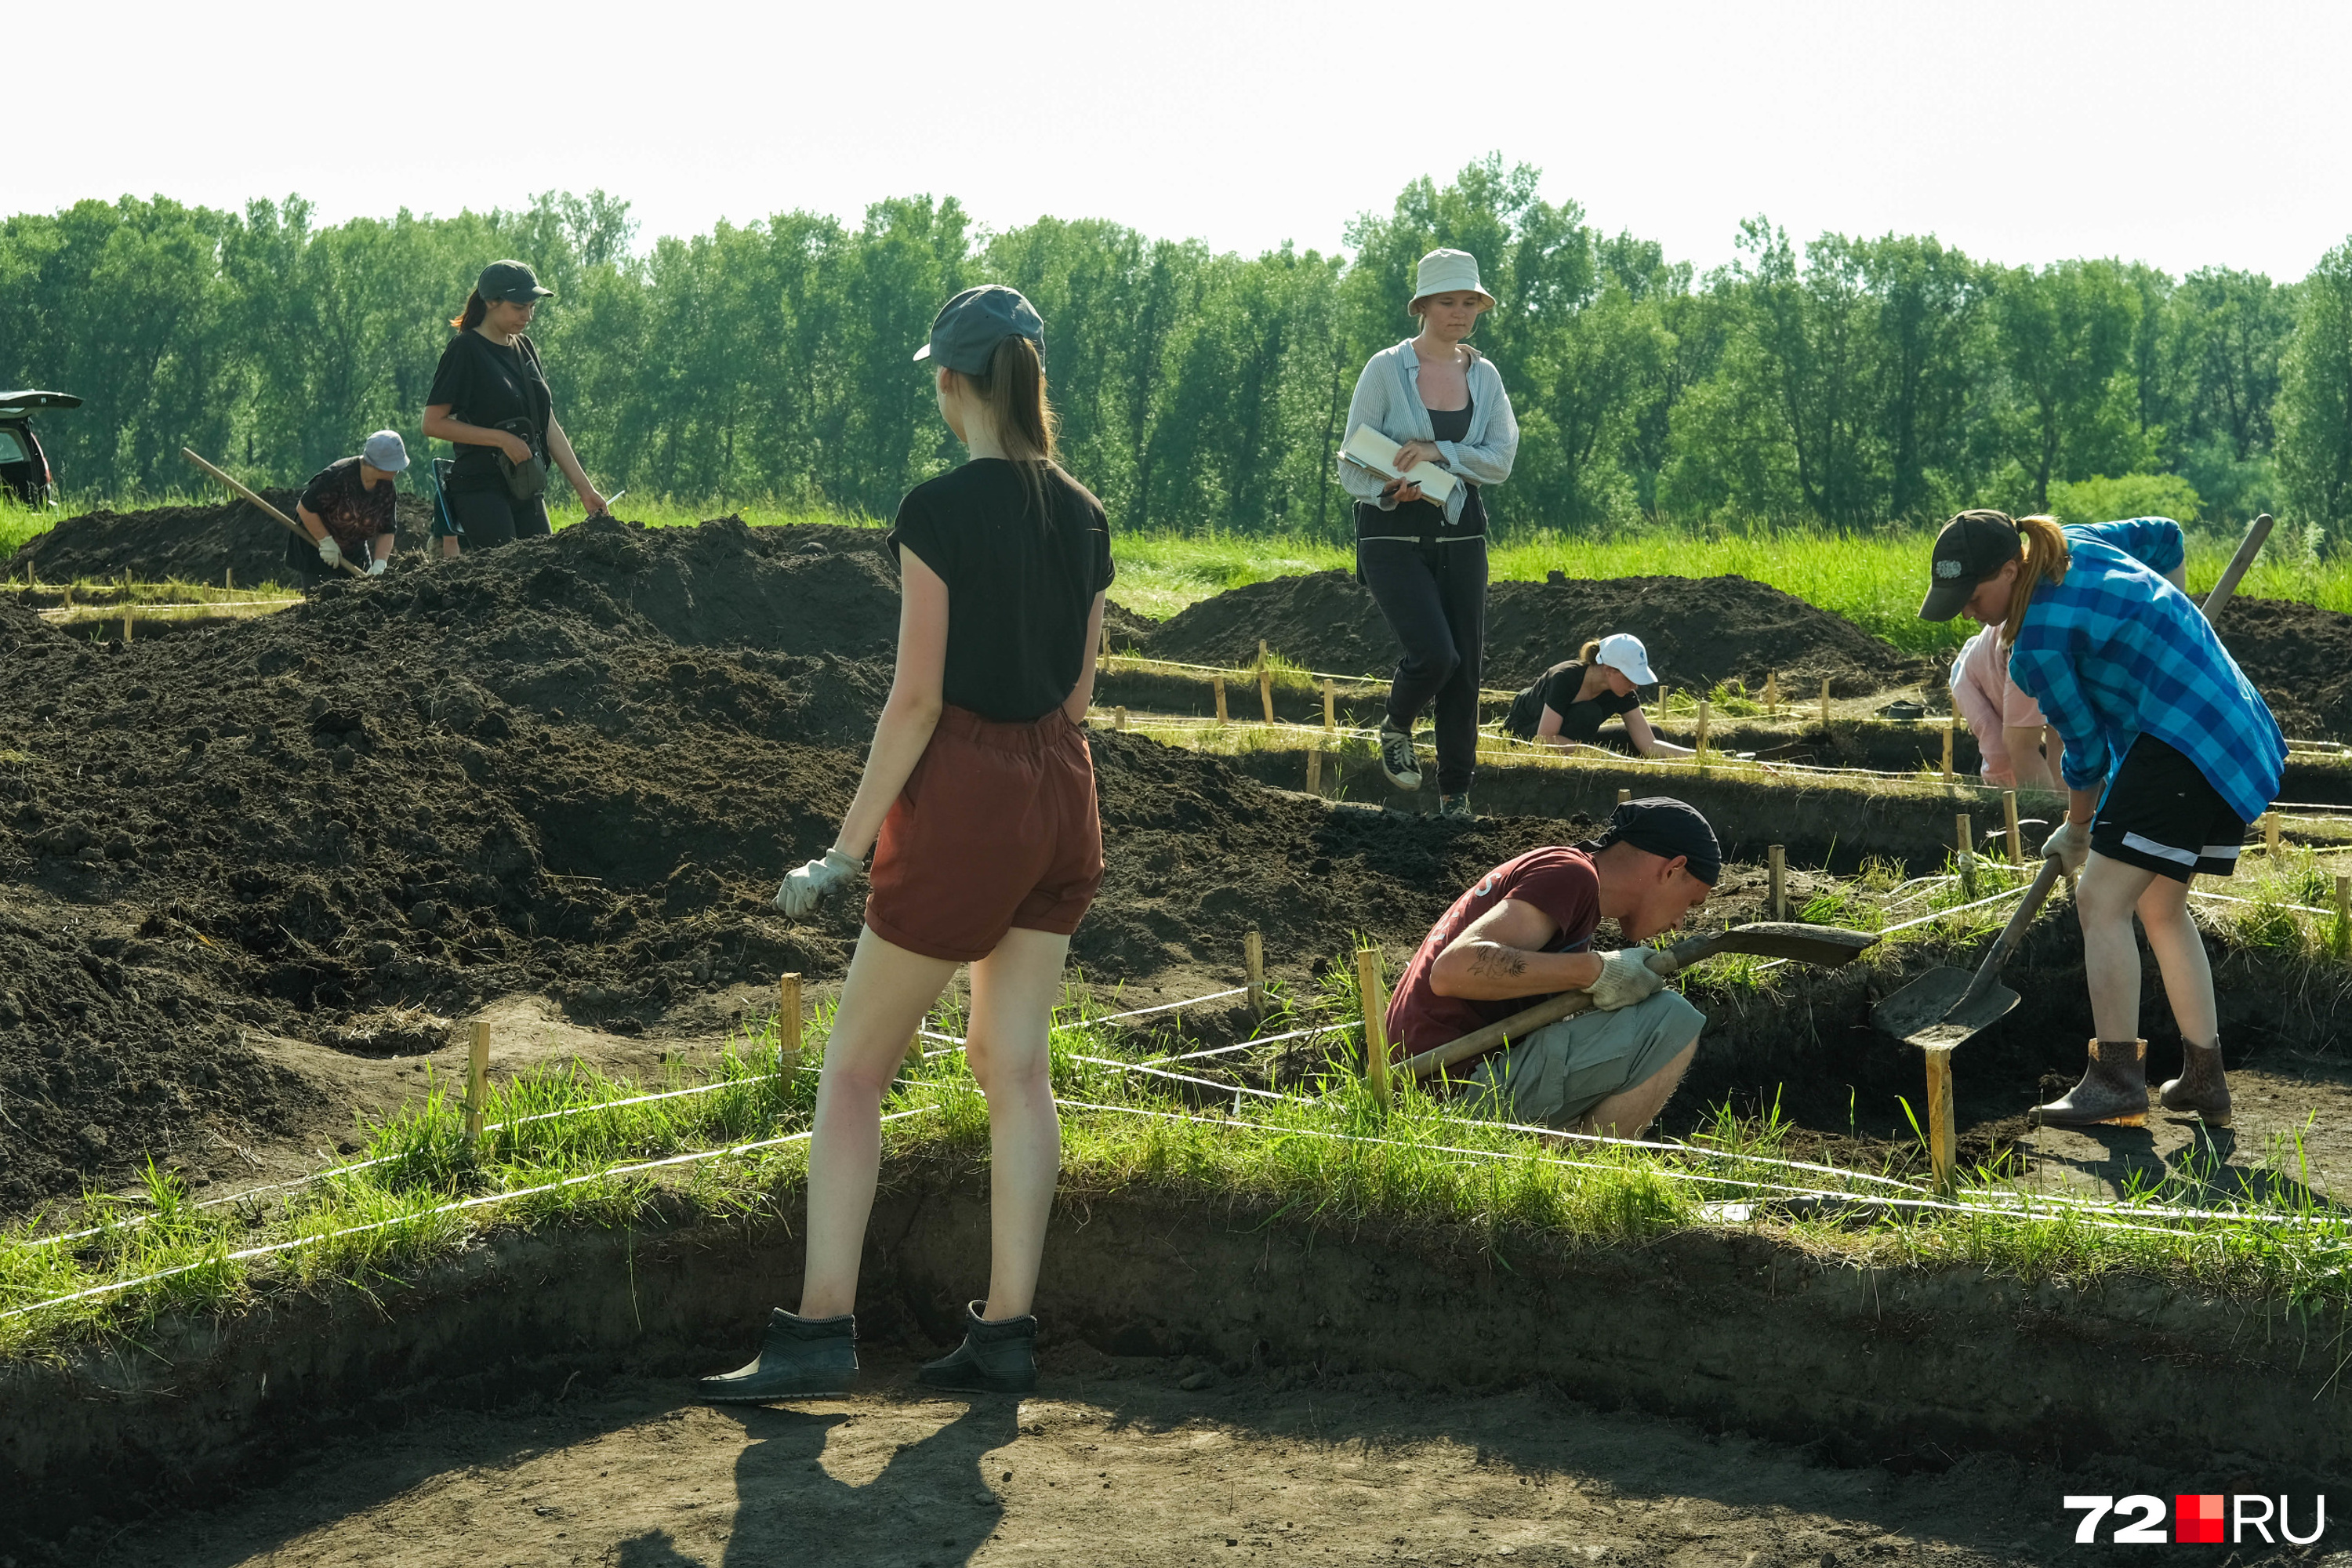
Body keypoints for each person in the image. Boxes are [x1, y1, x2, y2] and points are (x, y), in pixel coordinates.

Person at [699, 285, 1111, 1403]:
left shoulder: (936, 510)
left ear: (952, 384)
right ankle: (1008, 1331)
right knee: (1013, 1067)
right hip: (1063, 793)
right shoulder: (1085, 512)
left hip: (971, 791)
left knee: (853, 1074)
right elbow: (1079, 692)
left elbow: (915, 700)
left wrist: (843, 849)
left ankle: (818, 1332)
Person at [1917, 510, 2284, 1128]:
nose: (1966, 614)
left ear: (2011, 568)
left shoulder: (2036, 644)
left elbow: (2083, 753)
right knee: (2159, 906)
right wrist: (2170, 623)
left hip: (2177, 742)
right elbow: (2165, 534)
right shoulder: (2072, 542)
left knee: (2098, 899)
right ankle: (2205, 1080)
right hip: (2222, 722)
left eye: (1973, 597)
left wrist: (2078, 827)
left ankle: (2116, 1080)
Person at [1385, 797, 1720, 1134]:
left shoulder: (1566, 878)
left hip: (1431, 1085)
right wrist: (1597, 971)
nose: (1680, 922)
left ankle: (1552, 1161)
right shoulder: (1571, 876)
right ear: (1673, 868)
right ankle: (1587, 1175)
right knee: (1672, 1019)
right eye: (1692, 903)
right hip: (1448, 1088)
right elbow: (1453, 970)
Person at [1339, 248, 1519, 821]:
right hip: (1391, 534)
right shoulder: (1385, 369)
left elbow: (1500, 460)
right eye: (1448, 301)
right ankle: (1396, 724)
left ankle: (1456, 796)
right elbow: (1350, 463)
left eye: (1470, 302)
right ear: (1423, 306)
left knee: (1465, 666)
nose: (1460, 312)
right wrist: (1389, 488)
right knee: (1435, 654)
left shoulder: (1485, 377)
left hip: (1461, 535)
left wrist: (1442, 452)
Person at [421, 260, 607, 554]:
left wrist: (586, 491)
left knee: (544, 571)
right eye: (520, 307)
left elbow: (548, 426)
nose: (528, 316)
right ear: (491, 302)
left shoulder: (525, 347)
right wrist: (501, 439)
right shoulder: (465, 350)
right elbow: (433, 423)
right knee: (504, 580)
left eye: (532, 307)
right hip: (479, 488)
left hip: (526, 486)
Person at [1503, 633, 1697, 760]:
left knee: (1655, 732)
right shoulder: (1565, 677)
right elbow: (1544, 738)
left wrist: (1697, 756)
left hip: (1576, 735)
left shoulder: (1622, 691)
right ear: (1609, 669)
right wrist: (1600, 755)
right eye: (1630, 677)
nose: (1635, 685)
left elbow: (1648, 744)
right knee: (1588, 713)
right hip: (1526, 732)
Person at [285, 430, 405, 588]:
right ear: (377, 465)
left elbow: (387, 529)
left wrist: (380, 563)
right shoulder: (337, 476)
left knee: (363, 600)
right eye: (394, 465)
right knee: (323, 606)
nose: (397, 470)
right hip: (316, 547)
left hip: (354, 549)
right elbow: (305, 508)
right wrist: (326, 541)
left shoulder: (386, 488)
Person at [1948, 620, 2056, 791]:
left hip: (2011, 656)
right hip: (1975, 678)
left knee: (2059, 736)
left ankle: (2062, 806)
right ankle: (2002, 795)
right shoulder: (1967, 687)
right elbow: (2011, 748)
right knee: (2001, 748)